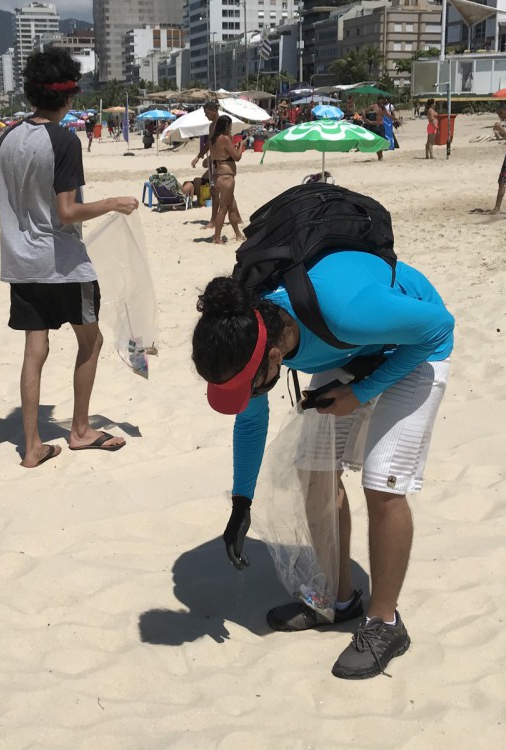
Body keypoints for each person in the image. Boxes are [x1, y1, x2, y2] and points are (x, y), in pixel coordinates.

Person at [191, 252, 455, 680]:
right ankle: (339, 601)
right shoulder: (249, 328)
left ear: (274, 356)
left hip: (414, 346)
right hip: (350, 348)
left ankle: (385, 623)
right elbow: (251, 419)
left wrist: (363, 390)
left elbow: (440, 326)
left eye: (247, 385)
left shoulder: (344, 311)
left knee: (382, 481)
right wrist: (241, 503)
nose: (246, 394)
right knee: (314, 471)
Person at [0, 47, 138, 469]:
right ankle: (79, 431)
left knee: (34, 350)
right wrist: (113, 202)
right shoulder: (63, 139)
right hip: (61, 262)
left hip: (20, 260)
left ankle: (32, 446)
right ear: (68, 96)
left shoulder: (9, 137)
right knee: (89, 341)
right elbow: (67, 212)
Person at [208, 114, 245, 245]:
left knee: (232, 207)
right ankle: (217, 238)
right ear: (226, 126)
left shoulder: (213, 139)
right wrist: (241, 145)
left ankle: (238, 234)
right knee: (223, 208)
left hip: (218, 175)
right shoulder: (224, 138)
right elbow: (237, 157)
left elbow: (221, 154)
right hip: (226, 177)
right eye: (230, 126)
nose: (231, 128)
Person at [191, 101, 221, 231]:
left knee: (215, 191)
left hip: (221, 162)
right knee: (225, 192)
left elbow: (223, 144)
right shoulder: (211, 126)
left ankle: (214, 221)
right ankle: (236, 217)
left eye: (207, 113)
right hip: (214, 161)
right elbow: (210, 143)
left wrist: (209, 159)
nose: (206, 116)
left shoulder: (222, 124)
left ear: (214, 110)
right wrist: (199, 156)